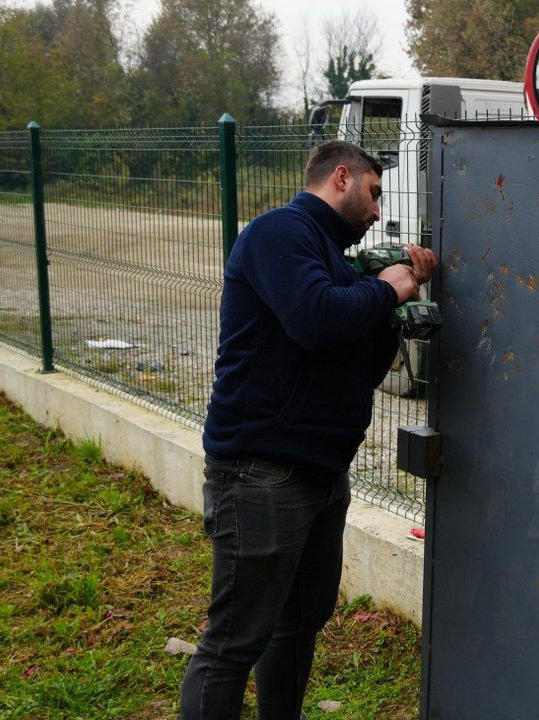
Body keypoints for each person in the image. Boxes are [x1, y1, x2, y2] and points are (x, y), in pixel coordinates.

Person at [180, 140, 437, 720]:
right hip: (259, 471)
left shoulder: (336, 257)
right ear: (340, 177)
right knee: (234, 642)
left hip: (321, 474)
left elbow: (358, 366)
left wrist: (393, 310)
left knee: (298, 625)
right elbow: (315, 319)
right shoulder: (280, 232)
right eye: (373, 193)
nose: (377, 211)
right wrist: (389, 287)